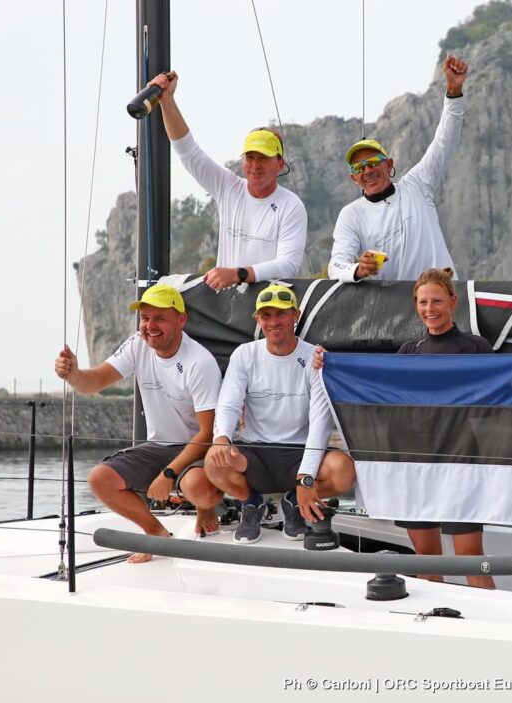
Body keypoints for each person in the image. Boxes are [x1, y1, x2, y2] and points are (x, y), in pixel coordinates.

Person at [54, 284, 222, 562]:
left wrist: (168, 474)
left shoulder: (199, 362)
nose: (149, 326)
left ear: (181, 320)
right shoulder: (137, 344)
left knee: (197, 490)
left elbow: (207, 433)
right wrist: (72, 373)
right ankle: (155, 533)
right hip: (158, 446)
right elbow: (93, 382)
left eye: (159, 318)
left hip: (198, 449)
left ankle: (205, 506)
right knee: (99, 479)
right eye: (145, 318)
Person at [198, 284, 356, 544]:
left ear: (296, 315)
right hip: (255, 453)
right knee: (214, 464)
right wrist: (222, 438)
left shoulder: (315, 357)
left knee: (344, 472)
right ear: (257, 319)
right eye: (266, 315)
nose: (274, 322)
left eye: (281, 314)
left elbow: (321, 421)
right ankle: (251, 503)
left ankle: (293, 500)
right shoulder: (245, 354)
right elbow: (229, 403)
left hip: (299, 451)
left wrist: (305, 479)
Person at [147, 71, 307, 289]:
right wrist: (167, 101)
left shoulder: (291, 205)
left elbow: (287, 265)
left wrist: (238, 274)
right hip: (227, 309)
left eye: (263, 158)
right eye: (250, 157)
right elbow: (188, 151)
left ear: (280, 164)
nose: (255, 165)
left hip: (269, 311)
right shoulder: (229, 187)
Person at [393, 267, 496, 588]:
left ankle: (494, 628)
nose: (429, 309)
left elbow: (500, 397)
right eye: (423, 302)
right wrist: (329, 365)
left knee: (471, 558)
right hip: (418, 466)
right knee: (426, 558)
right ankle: (436, 626)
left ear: (453, 301)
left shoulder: (476, 348)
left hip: (463, 465)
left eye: (436, 301)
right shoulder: (407, 352)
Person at [328, 55, 468, 283]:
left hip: (442, 298)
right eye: (359, 168)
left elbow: (445, 141)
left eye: (373, 163)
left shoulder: (417, 184)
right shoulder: (351, 214)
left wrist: (453, 91)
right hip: (393, 312)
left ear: (389, 164)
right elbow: (336, 265)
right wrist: (358, 269)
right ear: (354, 178)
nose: (368, 171)